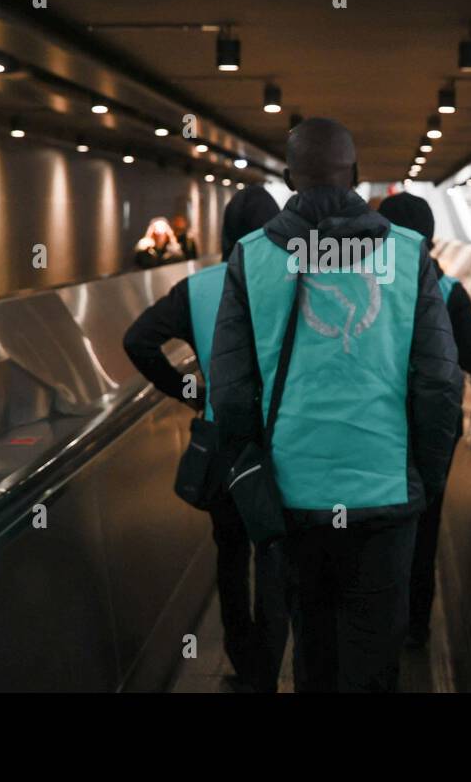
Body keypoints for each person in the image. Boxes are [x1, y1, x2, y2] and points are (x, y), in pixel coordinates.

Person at [210, 118, 462, 693]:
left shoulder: (251, 257)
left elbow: (227, 389)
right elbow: (440, 383)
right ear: (353, 170)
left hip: (293, 499)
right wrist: (423, 477)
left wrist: (252, 471)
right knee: (374, 659)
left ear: (289, 176)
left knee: (313, 651)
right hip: (385, 498)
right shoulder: (407, 253)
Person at [123, 187, 286, 692]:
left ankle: (244, 661)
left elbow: (138, 340)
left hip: (224, 445)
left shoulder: (199, 288)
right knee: (278, 555)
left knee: (231, 552)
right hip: (285, 444)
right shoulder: (300, 280)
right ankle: (272, 664)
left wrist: (190, 391)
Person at [377, 191, 471, 648]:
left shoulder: (368, 285)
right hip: (434, 431)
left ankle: (375, 621)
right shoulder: (448, 291)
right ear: (431, 239)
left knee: (374, 525)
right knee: (424, 527)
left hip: (377, 426)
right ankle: (415, 628)